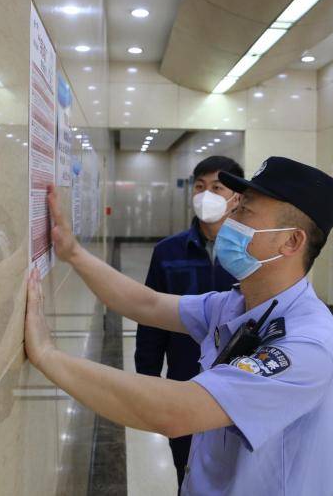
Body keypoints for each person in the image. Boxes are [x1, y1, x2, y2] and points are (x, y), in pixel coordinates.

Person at [24, 156, 333, 495]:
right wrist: (73, 252)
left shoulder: (309, 346)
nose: (229, 220)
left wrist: (47, 354)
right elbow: (147, 304)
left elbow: (175, 412)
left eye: (244, 212)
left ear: (291, 242)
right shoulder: (235, 304)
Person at [135, 155, 243, 489]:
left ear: (237, 197)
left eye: (217, 187)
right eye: (200, 186)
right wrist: (148, 381)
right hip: (184, 378)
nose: (205, 194)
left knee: (237, 470)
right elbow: (150, 318)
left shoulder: (252, 252)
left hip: (239, 382)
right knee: (187, 466)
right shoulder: (168, 251)